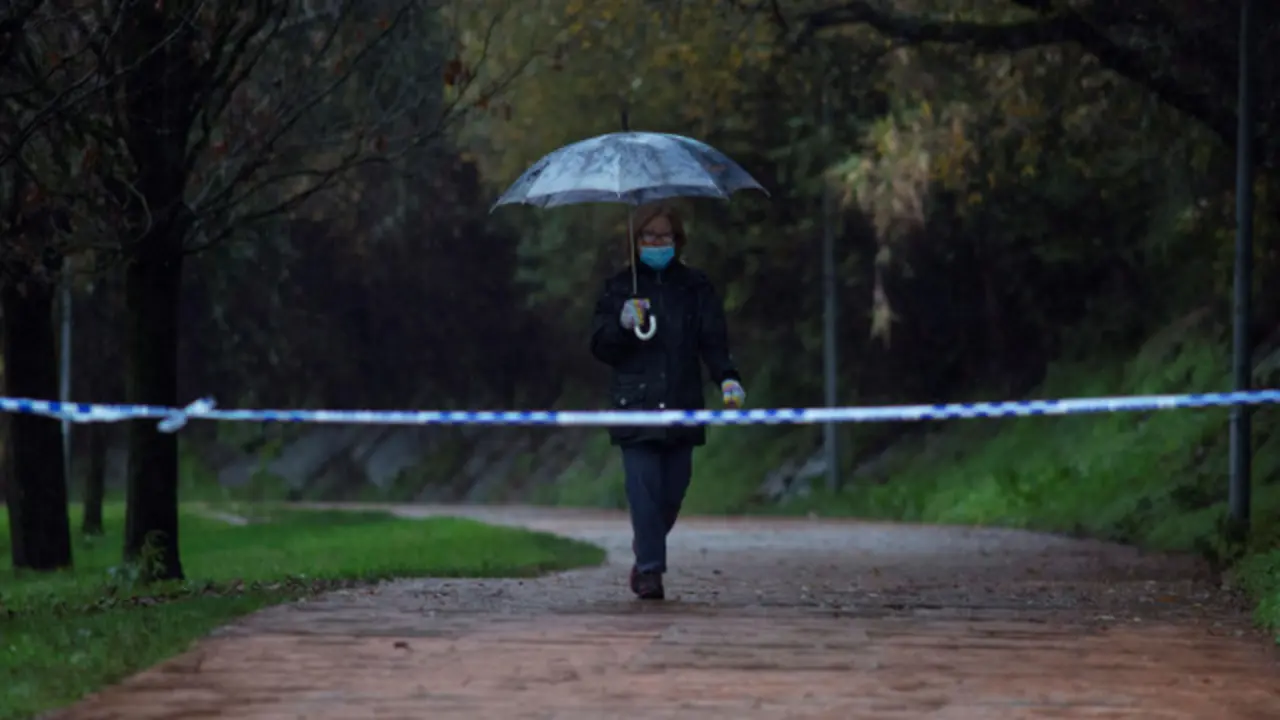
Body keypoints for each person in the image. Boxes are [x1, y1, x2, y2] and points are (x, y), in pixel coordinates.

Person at [589, 202, 746, 600]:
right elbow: (601, 347)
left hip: (683, 405)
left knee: (672, 494)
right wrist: (622, 324)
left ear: (678, 241)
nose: (657, 242)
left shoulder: (696, 288)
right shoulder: (619, 287)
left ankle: (646, 551)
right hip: (635, 409)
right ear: (635, 240)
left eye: (665, 236)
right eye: (649, 236)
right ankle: (649, 573)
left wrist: (727, 378)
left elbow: (713, 340)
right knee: (644, 491)